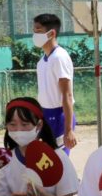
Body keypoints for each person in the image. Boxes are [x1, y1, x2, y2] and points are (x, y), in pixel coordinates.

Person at [32, 13, 77, 151]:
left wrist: (68, 129)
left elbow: (67, 94)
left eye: (38, 31)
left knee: (59, 160)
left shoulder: (59, 57)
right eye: (34, 31)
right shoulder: (42, 61)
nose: (35, 35)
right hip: (45, 115)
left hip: (58, 116)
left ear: (51, 33)